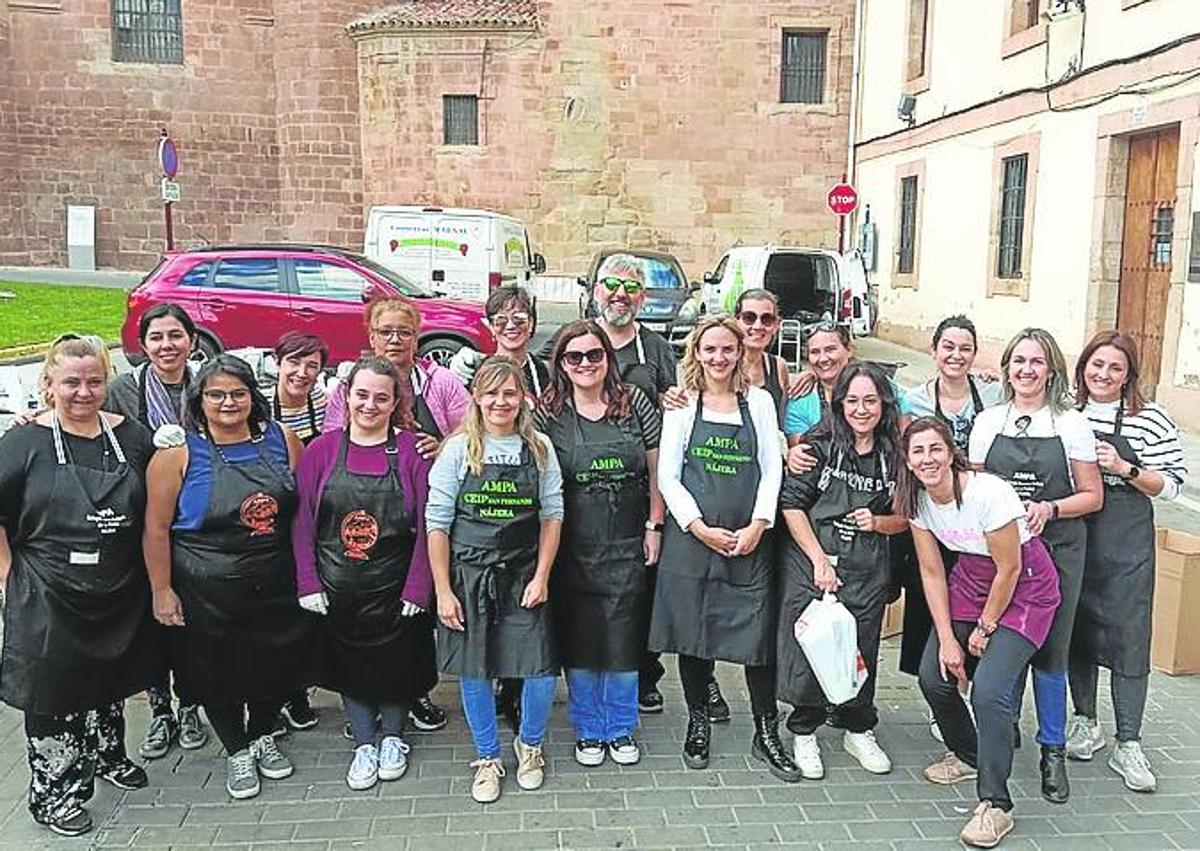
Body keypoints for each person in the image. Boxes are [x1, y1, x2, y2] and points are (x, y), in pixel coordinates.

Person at [0, 335, 159, 836]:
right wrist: (7, 573)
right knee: (52, 689)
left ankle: (108, 756)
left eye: (94, 381)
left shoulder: (132, 436)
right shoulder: (23, 442)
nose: (84, 392)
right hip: (47, 587)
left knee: (108, 678)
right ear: (48, 384)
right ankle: (53, 793)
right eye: (71, 382)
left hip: (117, 585)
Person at [143, 355, 316, 801]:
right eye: (216, 394)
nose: (228, 402)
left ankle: (261, 734)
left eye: (238, 393)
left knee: (277, 666)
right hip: (206, 589)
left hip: (275, 581)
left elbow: (303, 515)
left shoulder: (283, 440)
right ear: (199, 400)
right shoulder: (176, 457)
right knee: (215, 675)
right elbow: (156, 529)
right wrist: (162, 591)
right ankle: (237, 749)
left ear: (252, 397)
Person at [650, 316, 799, 781]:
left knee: (758, 640)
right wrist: (697, 526)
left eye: (727, 350)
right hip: (693, 541)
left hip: (749, 540)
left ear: (739, 354)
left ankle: (765, 730)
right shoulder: (681, 406)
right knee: (694, 637)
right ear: (696, 352)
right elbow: (668, 476)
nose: (719, 358)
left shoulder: (757, 402)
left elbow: (771, 467)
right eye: (709, 349)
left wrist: (760, 522)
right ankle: (698, 722)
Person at [900, 417, 1060, 848]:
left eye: (935, 449)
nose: (927, 459)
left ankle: (997, 805)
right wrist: (949, 639)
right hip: (971, 581)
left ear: (952, 453)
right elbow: (932, 573)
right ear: (908, 461)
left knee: (989, 690)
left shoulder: (988, 491)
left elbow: (1009, 568)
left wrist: (984, 631)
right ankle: (970, 755)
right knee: (934, 676)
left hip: (1024, 586)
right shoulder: (916, 499)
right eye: (918, 451)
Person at [968, 328, 1103, 804]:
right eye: (1018, 361)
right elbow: (979, 488)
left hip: (1060, 551)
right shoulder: (988, 422)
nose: (1026, 370)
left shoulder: (1071, 424)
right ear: (1006, 368)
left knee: (1051, 652)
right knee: (1008, 644)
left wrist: (1052, 508)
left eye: (1037, 362)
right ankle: (1004, 730)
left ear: (1052, 371)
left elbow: (1093, 495)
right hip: (1004, 554)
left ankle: (1053, 749)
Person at [323, 297, 469, 732]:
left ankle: (413, 692)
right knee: (364, 617)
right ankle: (363, 696)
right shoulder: (348, 384)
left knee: (415, 612)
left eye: (403, 332)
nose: (394, 339)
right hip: (363, 511)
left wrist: (443, 446)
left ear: (416, 336)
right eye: (385, 331)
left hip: (424, 510)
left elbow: (471, 423)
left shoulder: (439, 382)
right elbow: (335, 438)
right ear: (370, 336)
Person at [293, 357, 436, 791]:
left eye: (381, 397)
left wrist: (418, 585)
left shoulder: (413, 452)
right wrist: (308, 581)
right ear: (346, 395)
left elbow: (431, 525)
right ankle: (364, 742)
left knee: (396, 668)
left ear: (396, 403)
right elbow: (301, 523)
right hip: (339, 588)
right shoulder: (321, 450)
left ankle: (393, 737)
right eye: (362, 395)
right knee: (350, 669)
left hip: (395, 588)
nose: (370, 405)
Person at [427, 357, 564, 804]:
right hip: (470, 576)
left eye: (510, 392)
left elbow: (552, 515)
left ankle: (530, 746)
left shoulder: (539, 447)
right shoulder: (458, 448)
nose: (501, 401)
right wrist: (444, 590)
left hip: (524, 573)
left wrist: (542, 575)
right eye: (491, 393)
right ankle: (487, 756)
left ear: (523, 396)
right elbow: (437, 524)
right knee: (475, 670)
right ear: (477, 398)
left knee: (540, 669)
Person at [591, 253, 717, 718]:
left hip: (645, 483)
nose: (619, 295)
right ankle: (591, 670)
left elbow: (678, 400)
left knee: (642, 583)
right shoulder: (579, 341)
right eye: (611, 285)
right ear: (595, 290)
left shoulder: (656, 348)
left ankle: (645, 675)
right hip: (587, 482)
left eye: (630, 288)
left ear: (642, 298)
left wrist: (672, 399)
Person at [535, 320, 665, 767]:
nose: (586, 364)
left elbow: (657, 470)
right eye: (575, 357)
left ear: (608, 358)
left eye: (595, 355)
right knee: (582, 640)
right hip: (572, 545)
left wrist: (655, 525)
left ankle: (621, 727)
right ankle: (589, 729)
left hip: (628, 539)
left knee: (624, 639)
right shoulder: (548, 412)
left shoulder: (636, 404)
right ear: (561, 364)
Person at [1066, 331, 1188, 792]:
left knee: (1129, 639)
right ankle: (1085, 722)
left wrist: (1124, 469)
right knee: (1077, 634)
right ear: (1083, 368)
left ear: (1129, 375)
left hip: (1127, 549)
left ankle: (1129, 742)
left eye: (1115, 368)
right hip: (1077, 542)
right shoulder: (1067, 414)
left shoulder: (1151, 420)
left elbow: (1173, 486)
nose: (1103, 375)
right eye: (1096, 365)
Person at [776, 361, 907, 779]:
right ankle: (804, 730)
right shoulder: (818, 445)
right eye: (853, 400)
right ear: (839, 403)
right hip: (815, 562)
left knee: (860, 648)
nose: (861, 409)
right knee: (813, 646)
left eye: (870, 400)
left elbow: (905, 517)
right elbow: (791, 505)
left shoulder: (894, 453)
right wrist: (817, 560)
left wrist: (879, 523)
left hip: (868, 567)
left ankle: (858, 726)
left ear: (884, 404)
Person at [105, 304, 211, 759]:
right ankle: (159, 708)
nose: (167, 345)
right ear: (143, 344)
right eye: (157, 337)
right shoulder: (122, 391)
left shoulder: (205, 385)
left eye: (176, 335)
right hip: (137, 515)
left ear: (192, 340)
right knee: (150, 613)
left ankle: (190, 703)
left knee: (187, 616)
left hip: (193, 517)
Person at [901, 316, 1005, 718]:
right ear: (934, 351)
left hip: (981, 521)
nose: (956, 355)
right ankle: (944, 694)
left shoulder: (993, 393)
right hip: (937, 518)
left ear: (975, 353)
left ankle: (982, 693)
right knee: (935, 607)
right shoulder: (915, 400)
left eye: (964, 348)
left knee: (980, 610)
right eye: (948, 346)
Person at [449, 286, 549, 400]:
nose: (510, 326)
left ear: (530, 324)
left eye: (519, 319)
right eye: (500, 320)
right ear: (491, 327)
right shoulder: (473, 371)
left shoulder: (544, 373)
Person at [271, 331, 330, 446]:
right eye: (294, 363)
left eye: (312, 366)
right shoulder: (260, 405)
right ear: (277, 362)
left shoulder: (323, 402)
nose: (302, 373)